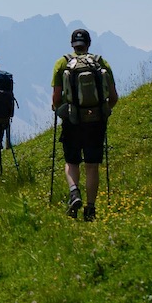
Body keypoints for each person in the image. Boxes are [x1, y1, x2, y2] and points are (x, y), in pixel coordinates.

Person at [51, 28, 118, 221]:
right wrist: (102, 111)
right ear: (88, 44)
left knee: (72, 162)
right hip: (96, 121)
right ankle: (90, 209)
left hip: (73, 121)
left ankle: (74, 193)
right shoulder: (100, 62)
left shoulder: (62, 63)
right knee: (91, 166)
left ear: (72, 44)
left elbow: (56, 99)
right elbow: (113, 97)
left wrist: (61, 110)